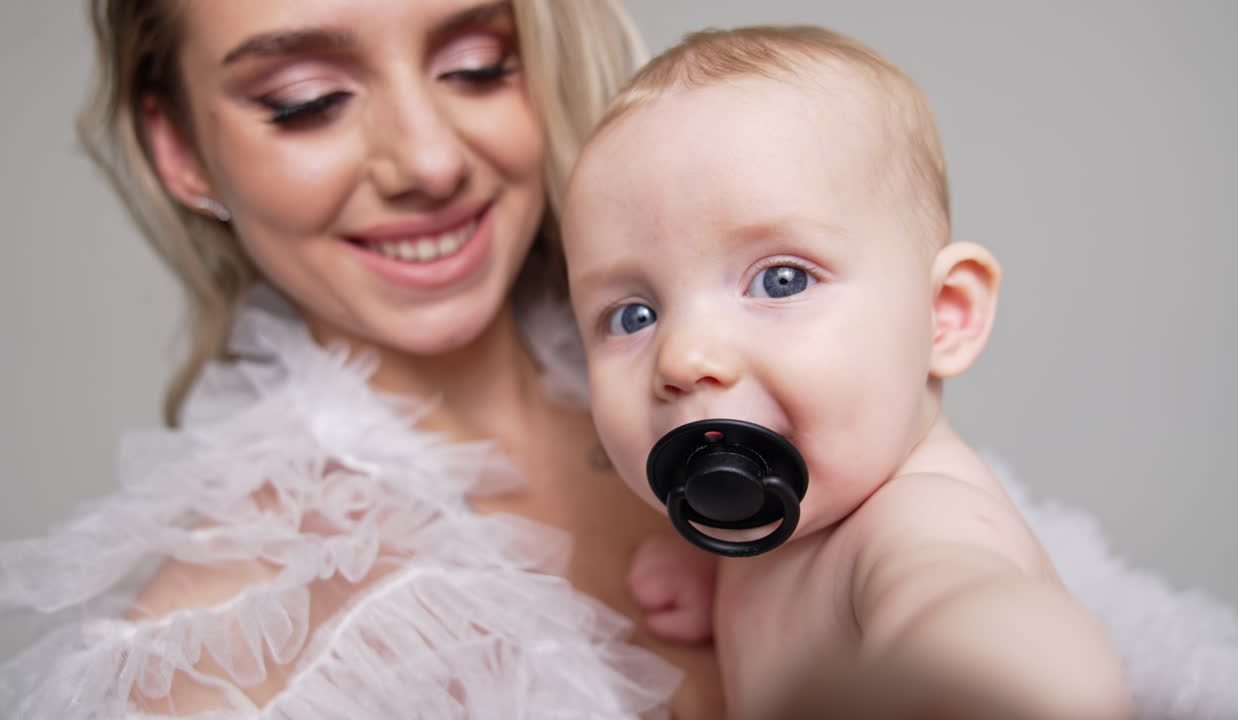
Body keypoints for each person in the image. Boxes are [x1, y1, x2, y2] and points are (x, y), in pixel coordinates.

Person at [0, 1, 725, 717]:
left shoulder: (737, 367)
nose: (430, 162)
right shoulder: (222, 655)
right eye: (307, 102)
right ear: (181, 150)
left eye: (478, 68)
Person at [562, 25, 1134, 719]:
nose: (682, 357)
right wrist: (714, 580)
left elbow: (982, 610)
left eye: (779, 280)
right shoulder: (796, 525)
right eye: (633, 315)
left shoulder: (919, 522)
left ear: (944, 316)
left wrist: (978, 684)